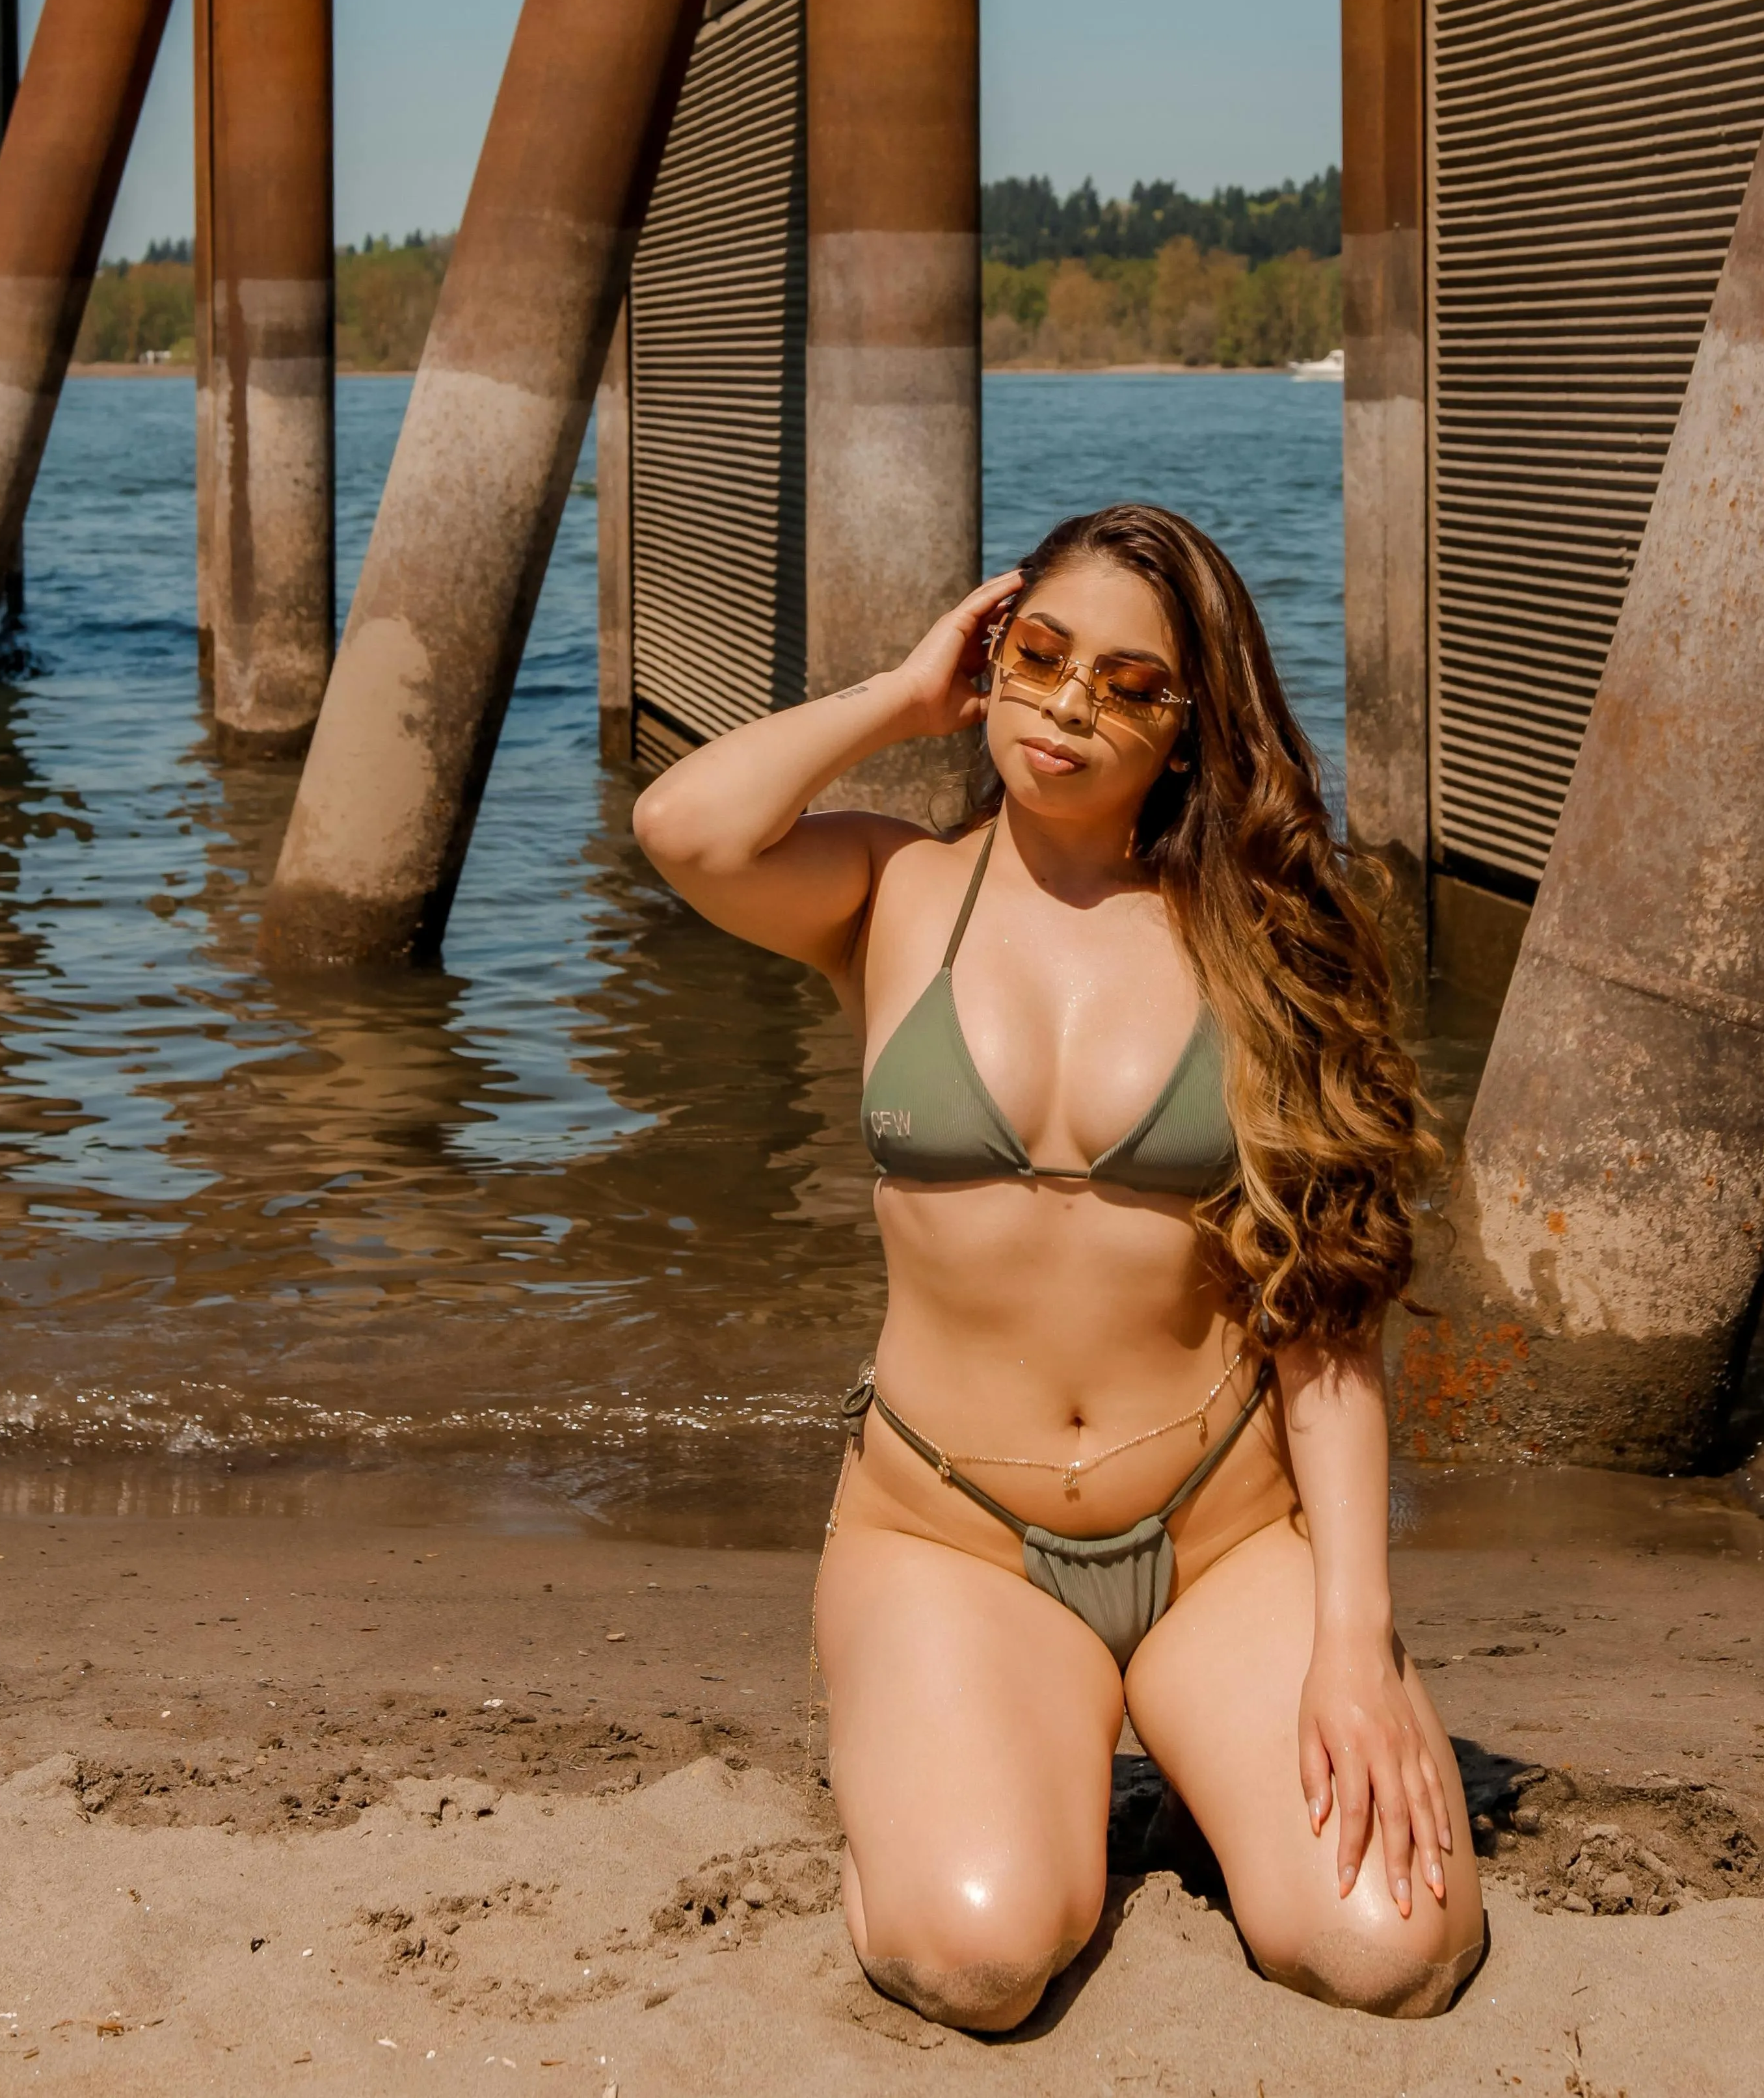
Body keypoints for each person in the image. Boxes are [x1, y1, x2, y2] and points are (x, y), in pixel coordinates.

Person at [633, 502, 1482, 2032]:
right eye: (1040, 655)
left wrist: (1351, 1642)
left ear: (1194, 726)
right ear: (994, 655)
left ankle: (1165, 1779)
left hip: (1227, 1539)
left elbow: (1327, 1324)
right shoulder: (889, 894)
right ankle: (965, 1770)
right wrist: (904, 695)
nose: (1073, 704)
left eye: (1132, 682)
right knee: (977, 1956)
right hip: (947, 1530)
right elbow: (685, 829)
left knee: (1388, 1953)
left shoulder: (1269, 943)